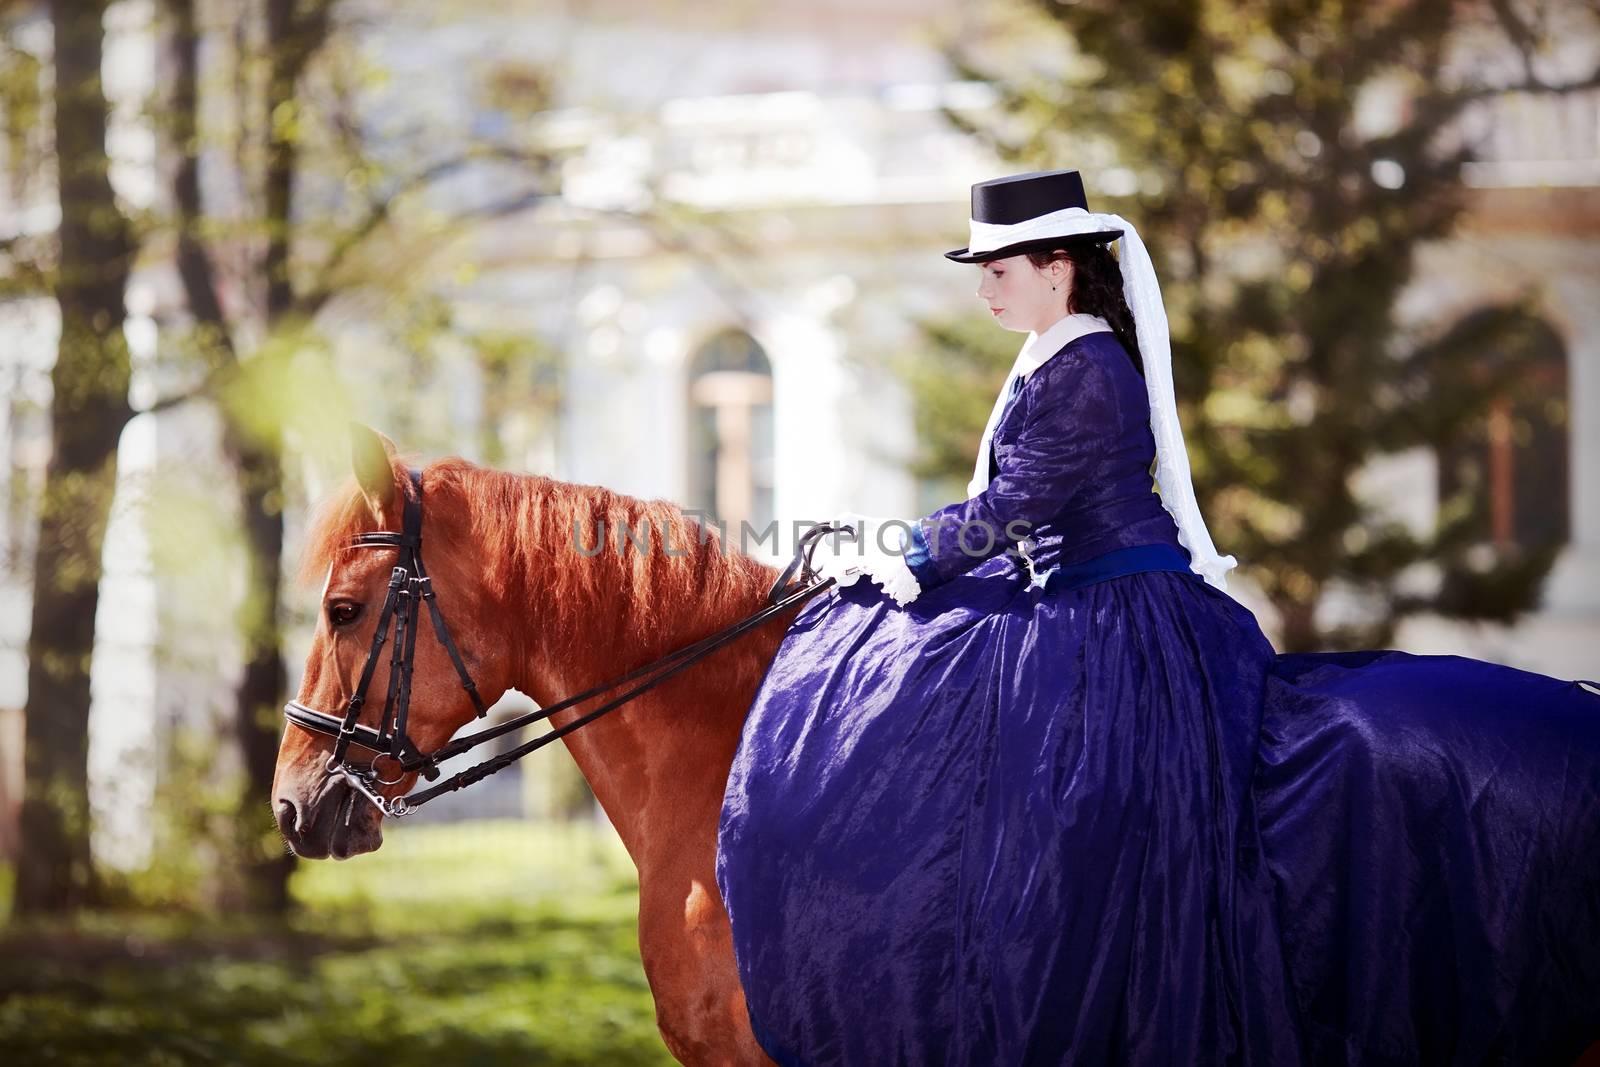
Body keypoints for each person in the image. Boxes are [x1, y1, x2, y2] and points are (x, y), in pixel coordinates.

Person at [714, 169, 1600, 1066]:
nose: (984, 288)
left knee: (1064, 803)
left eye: (999, 269)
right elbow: (1021, 504)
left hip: (1116, 612)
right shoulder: (1053, 360)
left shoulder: (1089, 369)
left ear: (1057, 268)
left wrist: (908, 555)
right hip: (1077, 588)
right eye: (980, 271)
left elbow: (1018, 498)